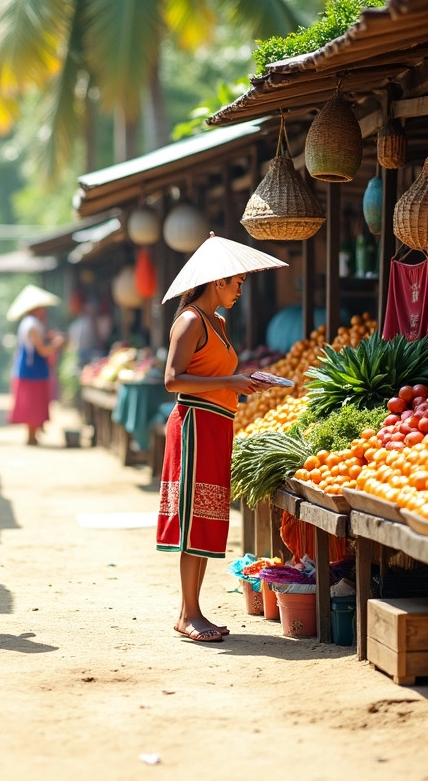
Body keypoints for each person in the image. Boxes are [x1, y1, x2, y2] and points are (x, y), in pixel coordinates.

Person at [158, 274, 263, 642]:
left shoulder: (217, 322)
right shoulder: (190, 320)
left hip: (216, 424)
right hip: (194, 425)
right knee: (192, 519)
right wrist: (229, 382)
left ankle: (193, 611)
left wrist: (241, 381)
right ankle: (188, 614)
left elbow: (215, 373)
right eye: (237, 282)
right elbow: (172, 380)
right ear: (217, 281)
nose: (240, 290)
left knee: (205, 517)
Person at [7, 301, 65, 446]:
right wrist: (57, 343)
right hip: (32, 370)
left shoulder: (31, 323)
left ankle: (34, 434)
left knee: (34, 402)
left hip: (33, 368)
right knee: (32, 403)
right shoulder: (32, 325)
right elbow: (42, 350)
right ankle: (31, 435)